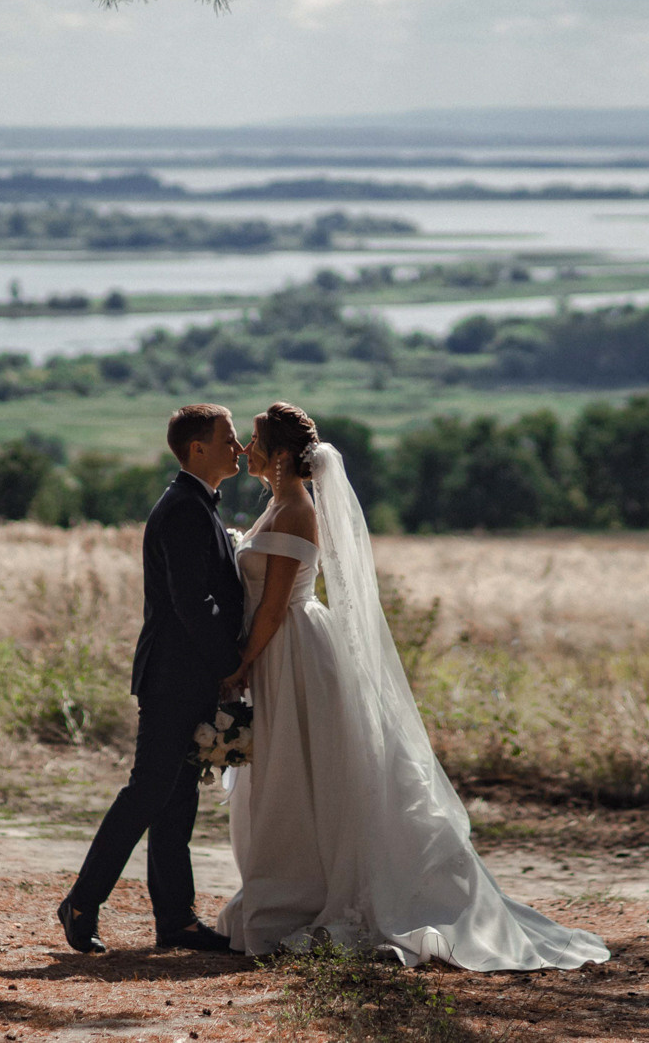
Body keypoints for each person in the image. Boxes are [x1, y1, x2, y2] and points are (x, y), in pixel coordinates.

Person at [218, 401, 610, 972]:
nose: (246, 451)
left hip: (291, 653)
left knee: (303, 770)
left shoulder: (296, 509)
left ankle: (304, 894)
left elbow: (274, 608)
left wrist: (239, 665)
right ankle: (287, 885)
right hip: (284, 653)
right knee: (290, 773)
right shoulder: (280, 505)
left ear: (279, 455)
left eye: (253, 441)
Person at [57, 402, 246, 954]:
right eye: (229, 438)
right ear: (198, 448)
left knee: (177, 798)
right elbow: (194, 603)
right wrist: (231, 660)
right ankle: (81, 902)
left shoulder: (197, 504)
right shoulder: (184, 509)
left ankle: (176, 921)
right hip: (173, 676)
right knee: (147, 792)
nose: (237, 448)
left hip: (187, 674)